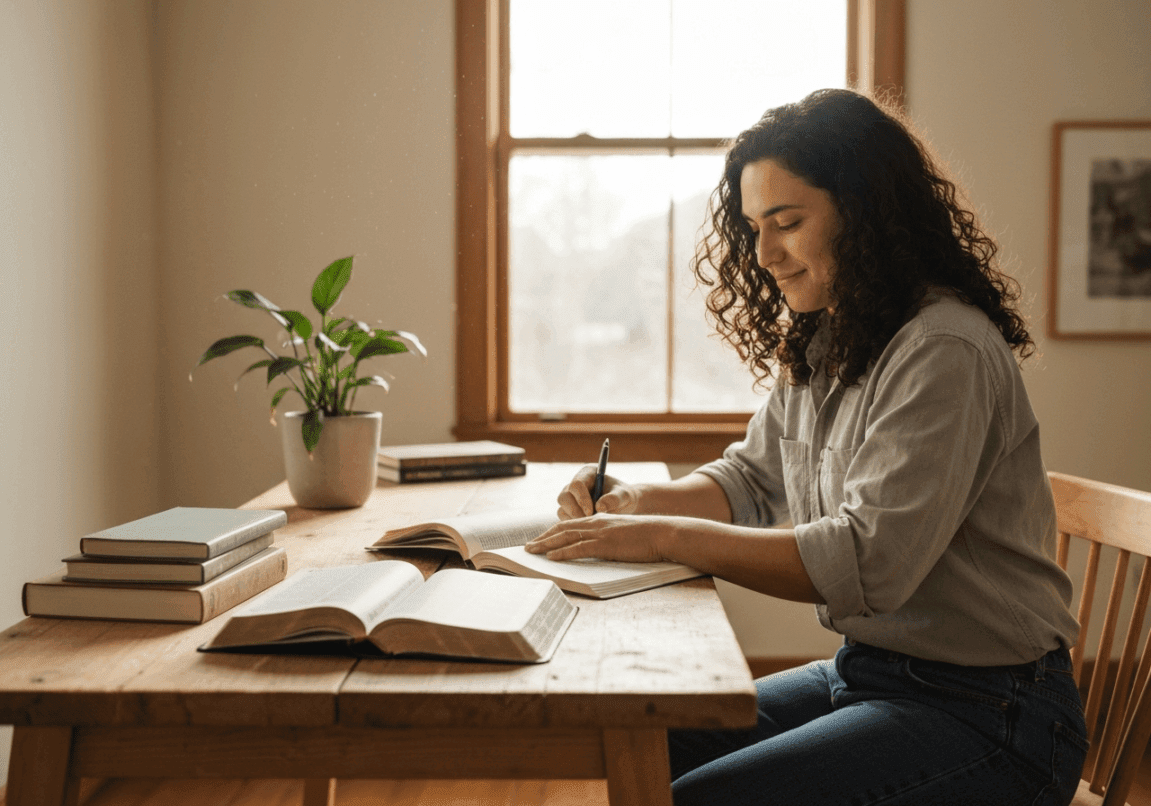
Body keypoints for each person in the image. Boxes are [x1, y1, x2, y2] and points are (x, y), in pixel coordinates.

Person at [524, 88, 1088, 806]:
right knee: (639, 743)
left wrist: (662, 535)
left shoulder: (943, 347)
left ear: (865, 211)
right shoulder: (830, 338)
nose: (762, 254)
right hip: (869, 674)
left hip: (994, 719)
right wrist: (636, 502)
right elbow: (750, 480)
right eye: (754, 227)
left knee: (702, 799)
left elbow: (867, 561)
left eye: (785, 223)